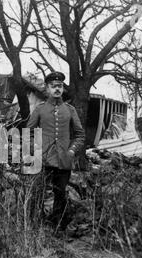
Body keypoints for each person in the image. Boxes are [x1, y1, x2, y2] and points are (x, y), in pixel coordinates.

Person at [26, 71, 85, 230]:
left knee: (60, 195)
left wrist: (71, 151)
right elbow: (28, 133)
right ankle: (36, 226)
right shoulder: (40, 109)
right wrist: (37, 151)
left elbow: (80, 135)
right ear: (47, 88)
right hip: (44, 161)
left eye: (59, 86)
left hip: (63, 161)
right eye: (53, 86)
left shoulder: (70, 110)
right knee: (39, 193)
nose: (57, 89)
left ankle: (58, 228)